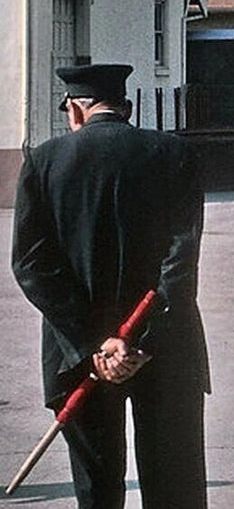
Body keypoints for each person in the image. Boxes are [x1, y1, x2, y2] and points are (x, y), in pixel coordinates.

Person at [11, 64, 210, 509]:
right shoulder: (173, 154)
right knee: (175, 486)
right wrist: (140, 341)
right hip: (165, 348)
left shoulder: (44, 162)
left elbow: (31, 265)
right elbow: (181, 258)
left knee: (97, 489)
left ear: (75, 110)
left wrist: (96, 342)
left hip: (79, 354)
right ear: (128, 108)